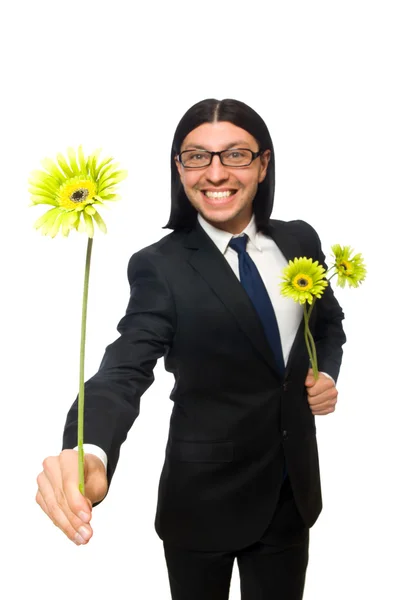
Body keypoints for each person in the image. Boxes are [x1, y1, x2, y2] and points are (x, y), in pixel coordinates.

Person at [36, 98, 346, 600]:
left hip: (292, 491)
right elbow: (125, 367)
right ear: (179, 168)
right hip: (203, 500)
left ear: (263, 164)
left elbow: (327, 323)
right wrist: (88, 448)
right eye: (197, 156)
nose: (216, 172)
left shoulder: (298, 238)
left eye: (236, 155)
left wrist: (325, 373)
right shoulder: (161, 266)